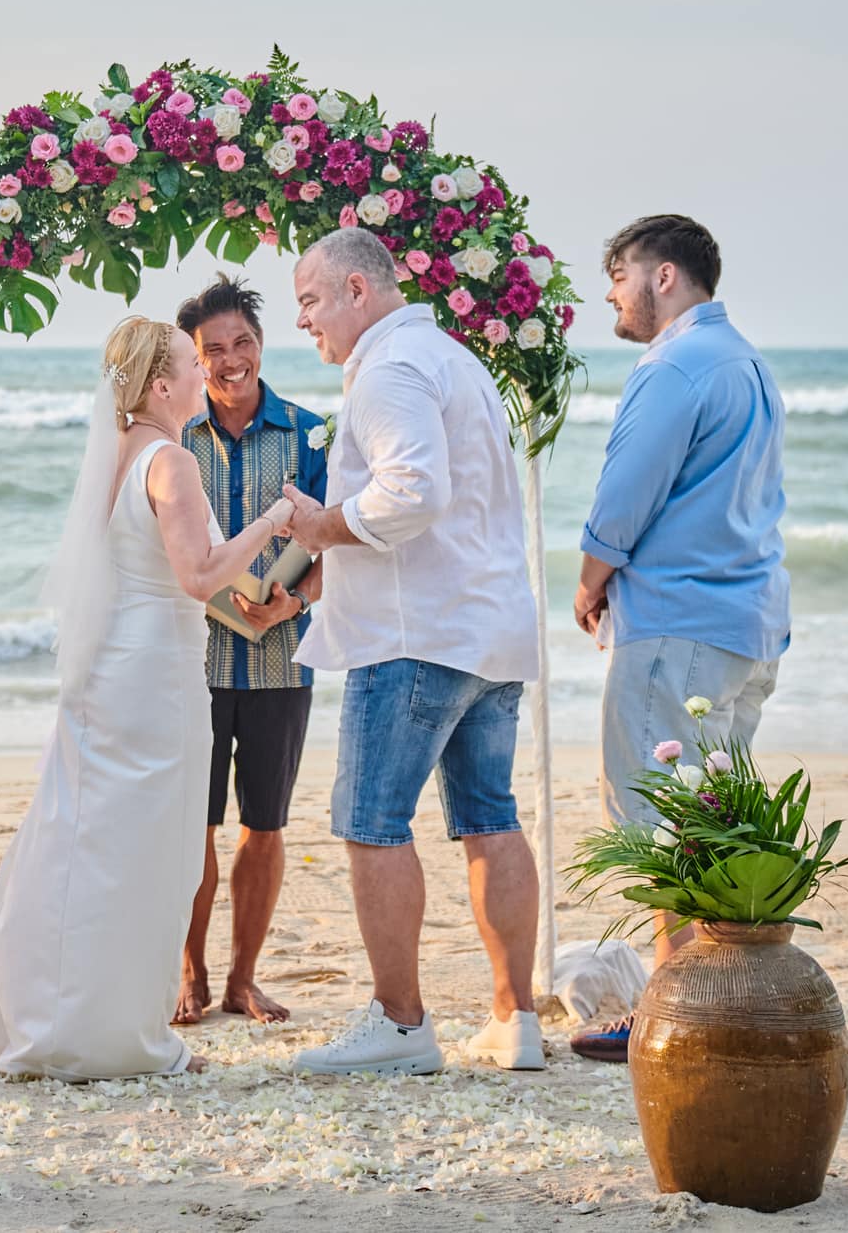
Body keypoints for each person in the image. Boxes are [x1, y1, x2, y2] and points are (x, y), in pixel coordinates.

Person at [0, 318, 298, 1080]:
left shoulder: (113, 455)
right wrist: (273, 523)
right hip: (155, 677)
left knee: (80, 835)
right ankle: (110, 1029)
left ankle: (44, 1011)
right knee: (144, 851)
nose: (206, 372)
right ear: (162, 386)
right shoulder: (171, 460)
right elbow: (198, 576)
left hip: (110, 666)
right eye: (190, 363)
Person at [275, 228, 547, 1074]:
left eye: (311, 301)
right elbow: (451, 504)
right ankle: (516, 1019)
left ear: (360, 290)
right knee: (489, 818)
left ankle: (400, 1024)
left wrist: (320, 525)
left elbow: (413, 491)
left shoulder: (390, 368)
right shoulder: (454, 358)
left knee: (371, 823)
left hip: (415, 638)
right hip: (487, 627)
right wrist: (327, 569)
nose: (305, 323)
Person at [569, 214, 788, 1059]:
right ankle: (698, 1002)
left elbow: (625, 491)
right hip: (749, 624)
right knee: (712, 822)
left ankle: (673, 1010)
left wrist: (590, 583)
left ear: (663, 276)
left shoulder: (675, 363)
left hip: (683, 625)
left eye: (618, 277)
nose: (613, 297)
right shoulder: (748, 361)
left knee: (666, 825)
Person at [172, 273, 329, 1027]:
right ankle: (191, 972)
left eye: (242, 343)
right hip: (190, 664)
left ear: (261, 344)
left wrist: (289, 603)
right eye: (213, 350)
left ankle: (242, 978)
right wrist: (217, 595)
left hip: (281, 662)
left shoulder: (309, 432)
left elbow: (340, 541)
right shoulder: (173, 439)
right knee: (190, 822)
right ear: (194, 358)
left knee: (265, 824)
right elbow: (155, 548)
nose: (231, 360)